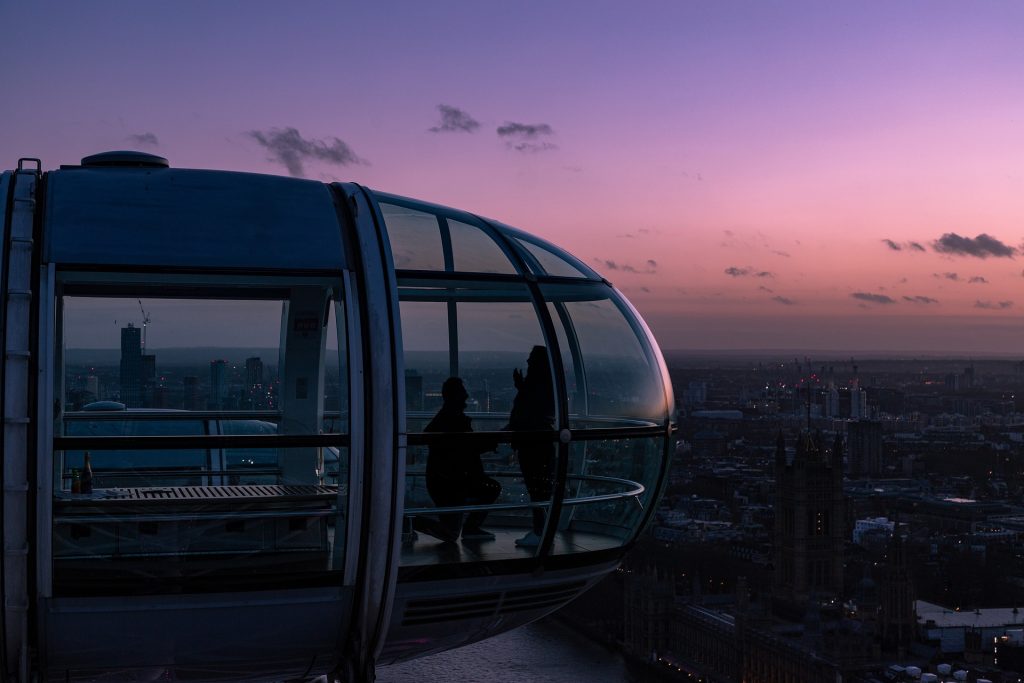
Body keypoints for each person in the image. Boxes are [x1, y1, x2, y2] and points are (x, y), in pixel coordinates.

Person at [420, 377, 500, 542]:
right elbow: (467, 448)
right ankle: (410, 520)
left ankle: (409, 521)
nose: (466, 395)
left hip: (449, 482)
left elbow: (464, 448)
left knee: (450, 532)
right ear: (455, 396)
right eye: (462, 392)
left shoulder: (446, 418)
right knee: (450, 533)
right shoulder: (453, 420)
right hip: (452, 483)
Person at [506, 345, 555, 547]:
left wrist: (522, 388)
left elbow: (529, 411)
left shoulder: (536, 387)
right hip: (537, 445)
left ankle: (540, 532)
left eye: (531, 359)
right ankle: (541, 531)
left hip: (533, 446)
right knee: (539, 489)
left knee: (537, 489)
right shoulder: (544, 385)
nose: (527, 363)